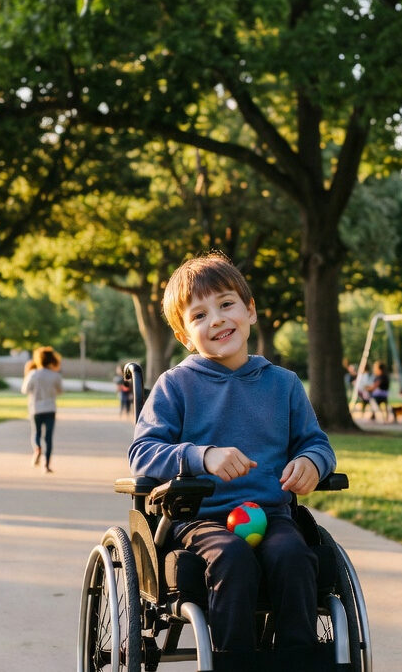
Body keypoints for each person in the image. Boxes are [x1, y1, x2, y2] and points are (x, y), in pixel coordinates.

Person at [129, 252, 336, 672]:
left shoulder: (283, 384)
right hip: (197, 519)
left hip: (271, 513)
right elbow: (142, 454)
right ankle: (232, 663)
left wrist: (313, 463)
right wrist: (201, 456)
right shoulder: (176, 386)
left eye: (226, 304)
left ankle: (298, 662)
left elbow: (317, 443)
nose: (218, 320)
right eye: (200, 315)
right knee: (232, 558)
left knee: (294, 558)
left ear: (250, 310)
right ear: (186, 336)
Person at [21, 346, 63, 473]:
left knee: (36, 433)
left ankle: (37, 448)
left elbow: (25, 390)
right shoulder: (55, 375)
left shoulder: (33, 374)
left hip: (36, 408)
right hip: (50, 408)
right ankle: (47, 465)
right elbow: (60, 390)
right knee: (48, 437)